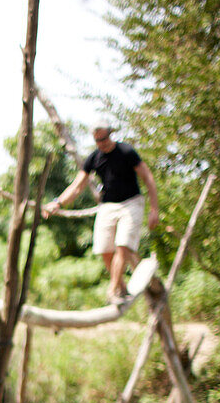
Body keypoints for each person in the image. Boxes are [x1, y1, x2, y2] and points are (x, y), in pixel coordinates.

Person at [43, 121, 159, 303]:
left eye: (104, 139)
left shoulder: (126, 151)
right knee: (104, 249)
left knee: (123, 245)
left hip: (131, 203)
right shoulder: (94, 158)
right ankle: (120, 287)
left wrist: (154, 209)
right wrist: (58, 202)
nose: (101, 143)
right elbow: (77, 186)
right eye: (97, 140)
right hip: (108, 205)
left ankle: (112, 290)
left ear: (110, 134)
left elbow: (147, 177)